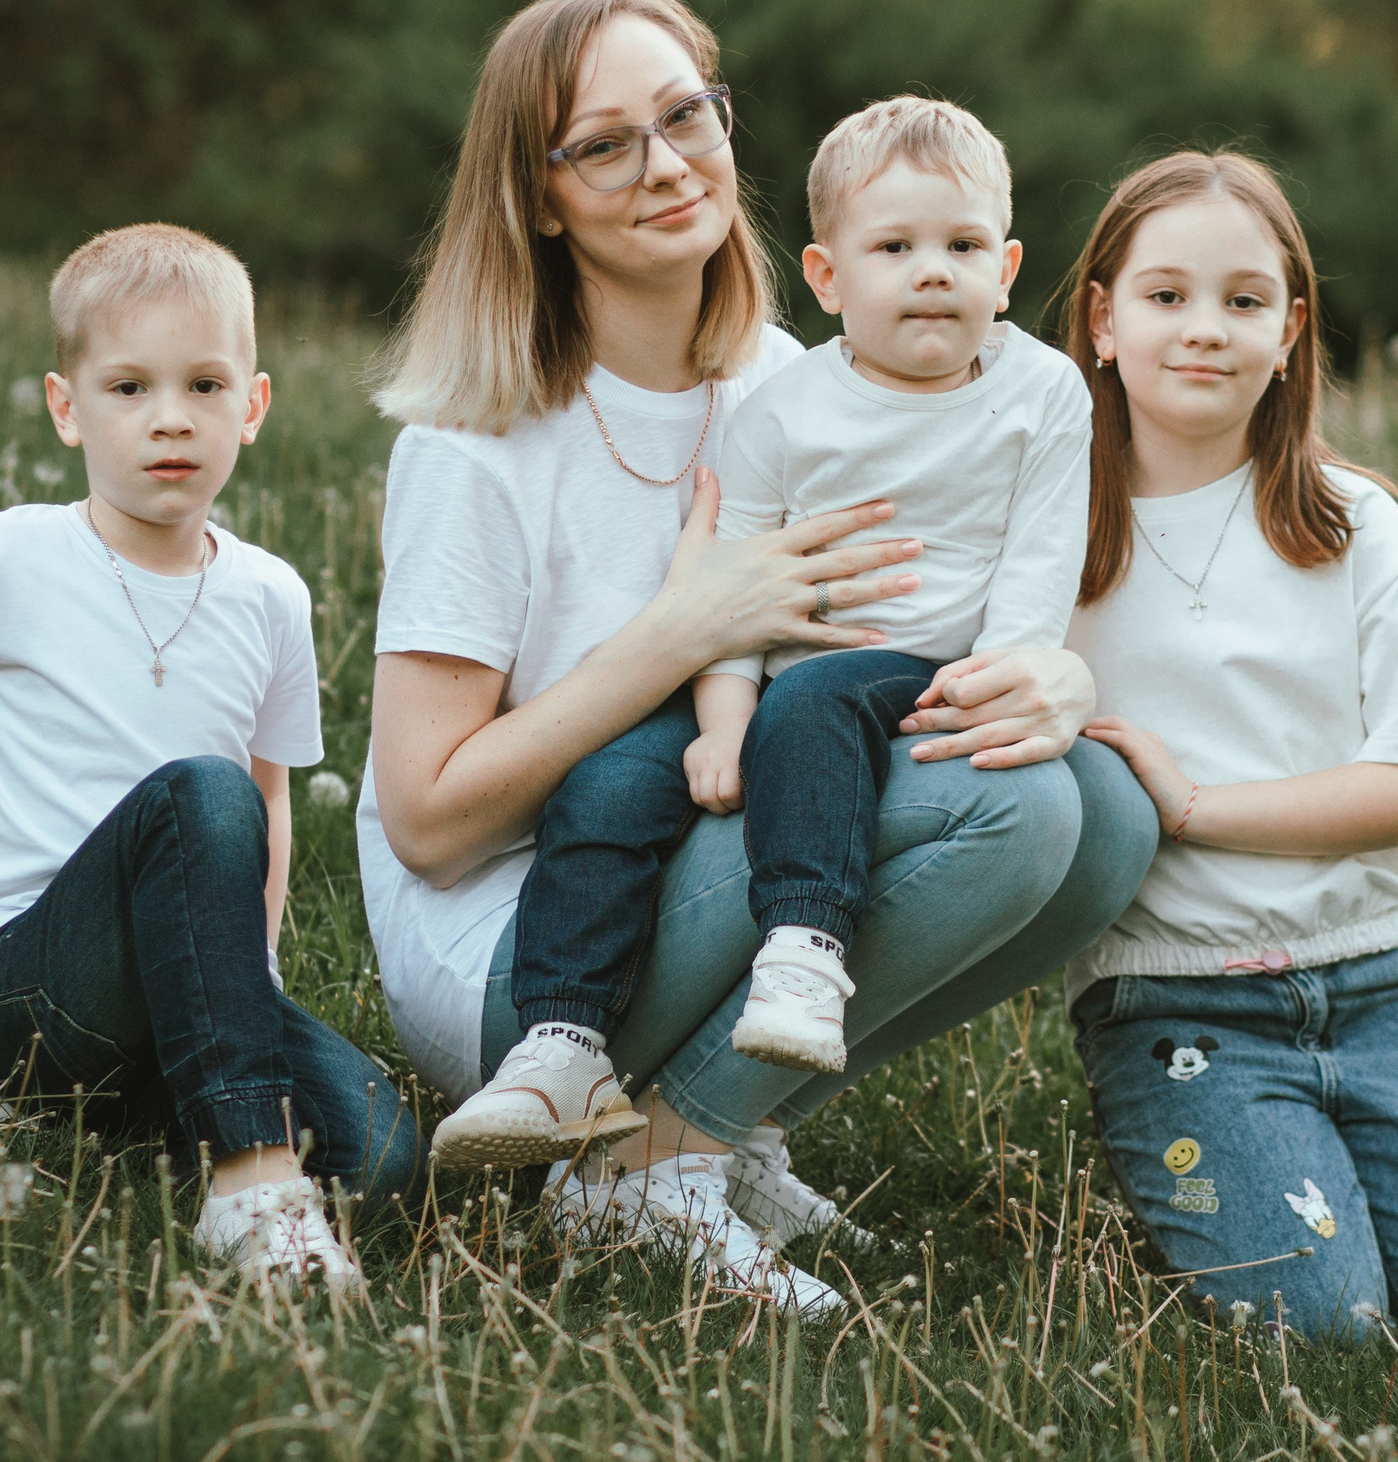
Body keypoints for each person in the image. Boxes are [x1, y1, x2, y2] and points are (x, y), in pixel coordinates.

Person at [361, 0, 1158, 1316]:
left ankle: (712, 1126)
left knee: (1112, 817)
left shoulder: (795, 375)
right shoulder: (473, 442)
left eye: (687, 114)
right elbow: (431, 823)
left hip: (725, 833)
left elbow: (923, 612)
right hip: (527, 956)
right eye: (605, 142)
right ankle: (647, 1164)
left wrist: (1055, 669)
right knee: (1008, 811)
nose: (668, 164)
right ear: (541, 196)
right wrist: (681, 630)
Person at [432, 96, 1091, 1169]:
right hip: (760, 676)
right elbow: (734, 583)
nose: (935, 271)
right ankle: (558, 1040)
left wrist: (1016, 665)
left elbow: (1042, 550)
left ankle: (804, 952)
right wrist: (722, 721)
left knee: (826, 699)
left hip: (919, 673)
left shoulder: (1039, 389)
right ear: (829, 279)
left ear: (1007, 267)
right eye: (896, 248)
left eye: (964, 246)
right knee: (606, 784)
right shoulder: (785, 407)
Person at [0, 222, 422, 1292]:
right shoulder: (3, 558)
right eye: (129, 387)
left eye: (203, 384)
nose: (170, 419)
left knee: (382, 1158)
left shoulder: (271, 597)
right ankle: (251, 1184)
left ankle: (171, 1108)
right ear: (67, 407)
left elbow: (271, 803)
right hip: (33, 988)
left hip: (190, 973)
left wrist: (250, 976)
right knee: (199, 794)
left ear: (254, 405)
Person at [1061, 152, 1398, 1340]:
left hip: (1382, 981)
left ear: (1290, 332)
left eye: (1245, 302)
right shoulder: (1050, 541)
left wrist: (1195, 808)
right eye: (1165, 296)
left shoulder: (1352, 526)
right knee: (1321, 1325)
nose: (1205, 330)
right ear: (1101, 318)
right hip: (1174, 1001)